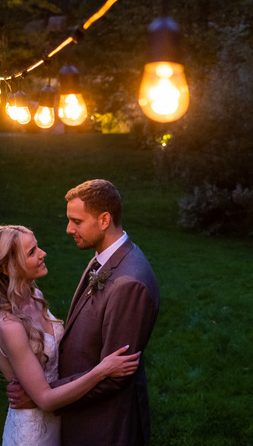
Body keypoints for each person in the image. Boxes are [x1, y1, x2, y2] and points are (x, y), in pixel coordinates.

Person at [8, 179, 160, 446]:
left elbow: (114, 376)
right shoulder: (105, 258)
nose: (69, 229)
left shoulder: (129, 283)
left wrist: (42, 395)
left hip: (104, 426)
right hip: (84, 414)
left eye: (76, 221)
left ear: (104, 220)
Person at [0, 225, 141, 446]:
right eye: (31, 252)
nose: (43, 253)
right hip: (34, 433)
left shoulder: (34, 296)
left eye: (37, 247)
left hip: (61, 418)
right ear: (6, 268)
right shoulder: (9, 326)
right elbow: (45, 400)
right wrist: (102, 370)